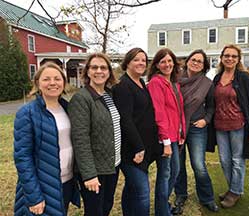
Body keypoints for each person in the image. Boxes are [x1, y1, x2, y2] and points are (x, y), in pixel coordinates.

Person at [13, 62, 80, 216]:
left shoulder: (68, 108)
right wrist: (34, 196)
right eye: (46, 79)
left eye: (57, 78)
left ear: (63, 82)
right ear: (38, 83)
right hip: (42, 186)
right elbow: (22, 157)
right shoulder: (27, 113)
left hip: (66, 182)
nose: (52, 83)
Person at [68, 53, 121, 216]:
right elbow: (80, 139)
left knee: (106, 207)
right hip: (94, 170)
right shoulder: (81, 99)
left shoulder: (108, 95)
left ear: (109, 72)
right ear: (87, 72)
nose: (99, 71)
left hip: (112, 164)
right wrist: (89, 174)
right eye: (94, 67)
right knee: (95, 211)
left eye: (103, 67)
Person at [112, 48, 162, 216]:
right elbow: (125, 119)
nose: (141, 63)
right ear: (127, 62)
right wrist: (139, 147)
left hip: (144, 147)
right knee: (142, 192)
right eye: (136, 60)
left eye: (143, 60)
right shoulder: (123, 86)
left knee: (132, 187)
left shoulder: (141, 83)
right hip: (131, 149)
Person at [213, 44, 249, 208]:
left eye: (234, 56)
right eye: (227, 55)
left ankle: (234, 192)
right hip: (219, 126)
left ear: (238, 59)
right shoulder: (217, 78)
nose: (230, 58)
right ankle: (234, 188)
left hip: (238, 125)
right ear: (222, 58)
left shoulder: (243, 77)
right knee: (225, 160)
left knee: (237, 160)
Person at [172, 49, 219, 214]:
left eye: (200, 61)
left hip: (196, 128)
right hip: (176, 128)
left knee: (198, 165)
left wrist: (205, 120)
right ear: (188, 61)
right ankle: (181, 195)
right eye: (193, 59)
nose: (196, 63)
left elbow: (212, 106)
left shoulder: (207, 84)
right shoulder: (175, 79)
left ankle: (207, 198)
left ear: (204, 65)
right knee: (177, 164)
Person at [147, 48, 186, 216]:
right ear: (157, 65)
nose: (167, 64)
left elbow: (179, 110)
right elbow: (159, 112)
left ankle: (163, 205)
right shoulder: (156, 82)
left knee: (174, 172)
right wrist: (166, 141)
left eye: (169, 61)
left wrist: (182, 133)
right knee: (166, 174)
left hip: (175, 136)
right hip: (165, 139)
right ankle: (162, 211)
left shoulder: (174, 83)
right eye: (163, 61)